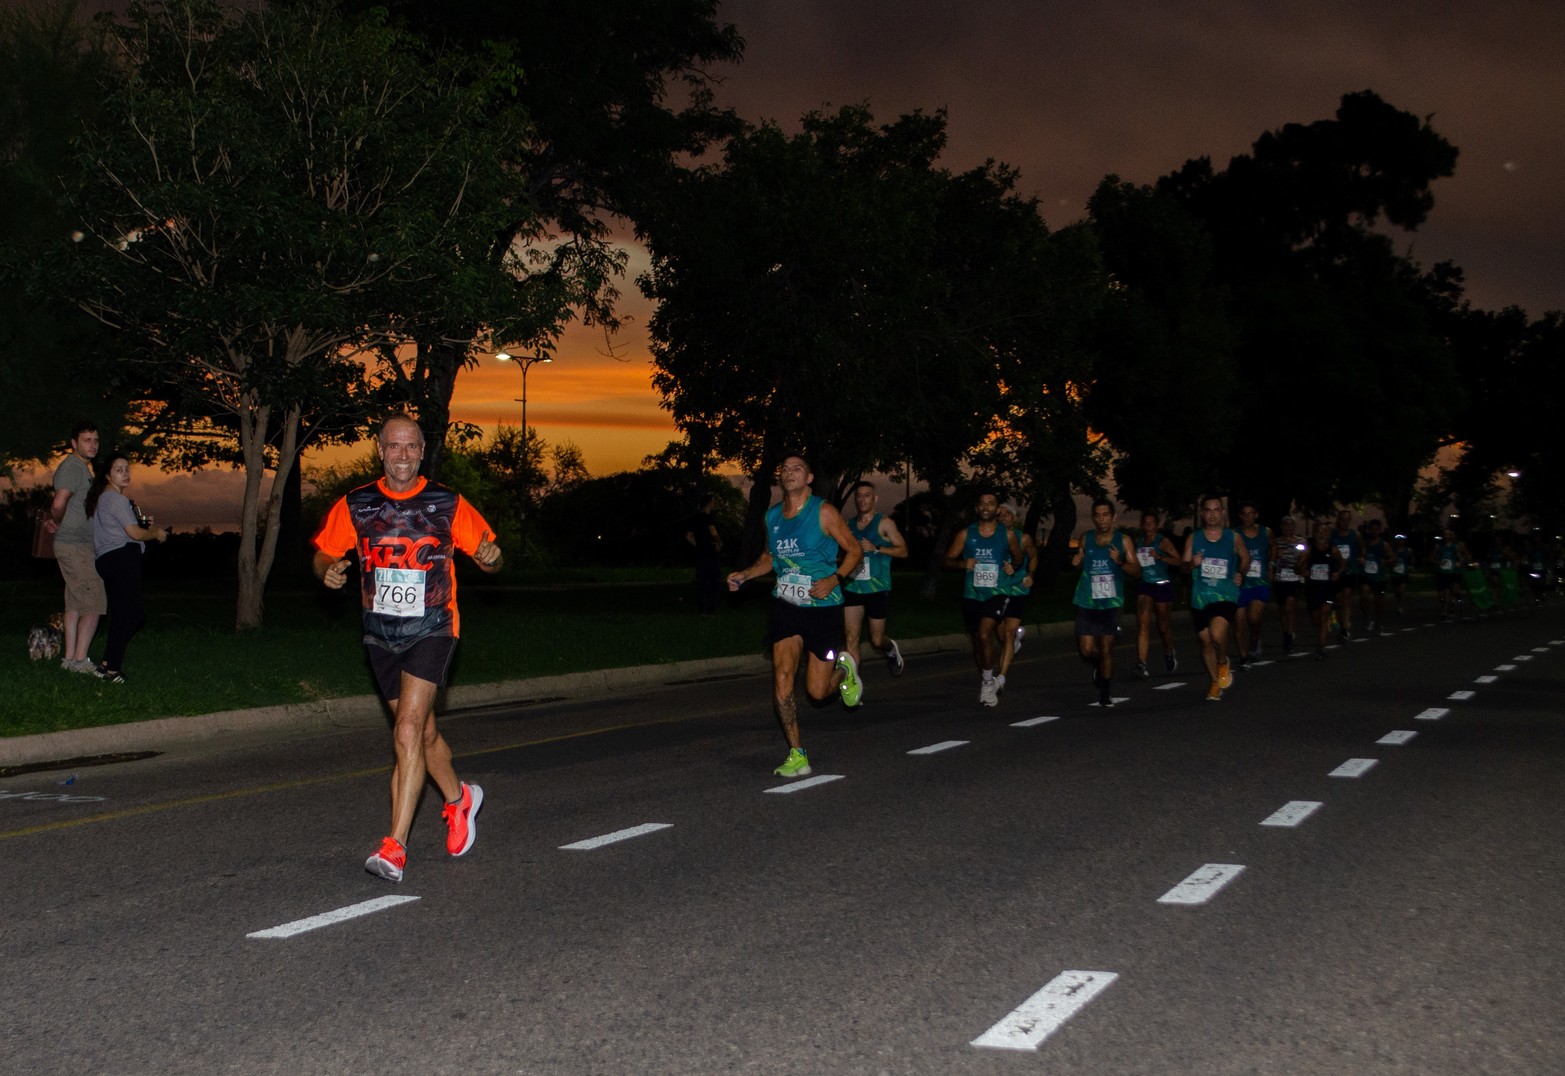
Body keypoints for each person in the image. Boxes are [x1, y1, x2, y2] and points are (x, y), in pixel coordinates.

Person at [313, 415, 503, 883]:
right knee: (423, 736)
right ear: (380, 450)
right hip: (380, 633)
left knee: (406, 731)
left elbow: (490, 554)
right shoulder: (357, 503)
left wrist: (493, 559)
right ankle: (460, 800)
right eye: (393, 446)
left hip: (434, 627)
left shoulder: (446, 503)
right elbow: (324, 550)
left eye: (410, 447)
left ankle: (394, 846)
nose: (402, 455)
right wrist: (326, 570)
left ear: (422, 451)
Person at [728, 454, 864, 778]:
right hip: (786, 605)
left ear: (810, 477)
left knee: (817, 692)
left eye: (797, 468)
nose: (789, 473)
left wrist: (835, 578)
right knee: (782, 676)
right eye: (784, 469)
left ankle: (845, 673)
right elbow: (770, 558)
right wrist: (746, 574)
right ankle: (796, 752)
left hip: (823, 607)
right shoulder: (772, 516)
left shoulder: (824, 512)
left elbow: (855, 551)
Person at [85, 456, 168, 683]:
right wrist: (156, 533)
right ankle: (112, 669)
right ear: (108, 476)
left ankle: (105, 665)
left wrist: (140, 526)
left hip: (107, 560)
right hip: (121, 557)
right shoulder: (116, 500)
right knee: (132, 615)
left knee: (124, 613)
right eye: (119, 470)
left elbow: (119, 529)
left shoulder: (102, 500)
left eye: (127, 469)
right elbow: (134, 534)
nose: (125, 473)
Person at [944, 490, 1022, 707]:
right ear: (978, 509)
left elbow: (1019, 556)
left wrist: (1012, 566)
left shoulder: (1006, 534)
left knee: (986, 633)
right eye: (982, 503)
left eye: (991, 503)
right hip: (972, 593)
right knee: (978, 640)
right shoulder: (966, 534)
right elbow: (947, 560)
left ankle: (988, 685)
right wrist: (962, 564)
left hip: (998, 592)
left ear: (997, 509)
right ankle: (987, 679)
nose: (986, 506)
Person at [44, 422, 106, 673]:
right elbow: (59, 502)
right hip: (75, 545)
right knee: (95, 599)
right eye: (87, 440)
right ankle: (80, 661)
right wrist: (57, 520)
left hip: (74, 544)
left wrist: (57, 520)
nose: (93, 445)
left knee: (75, 602)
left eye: (96, 440)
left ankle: (69, 659)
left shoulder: (81, 468)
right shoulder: (72, 467)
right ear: (74, 443)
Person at [1072, 498, 1140, 707]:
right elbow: (1079, 563)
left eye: (1106, 515)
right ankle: (1100, 666)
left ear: (1113, 517)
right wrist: (1076, 563)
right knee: (1086, 650)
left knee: (1107, 646)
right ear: (1093, 517)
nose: (1102, 519)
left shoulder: (1123, 541)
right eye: (1098, 515)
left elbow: (1137, 571)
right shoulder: (1086, 539)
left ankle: (1105, 690)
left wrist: (1120, 561)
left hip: (1111, 603)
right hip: (1087, 601)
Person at [1182, 494, 1250, 700]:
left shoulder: (1233, 537)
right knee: (1205, 641)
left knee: (1217, 634)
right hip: (1200, 596)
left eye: (1216, 510)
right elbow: (1182, 567)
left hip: (1225, 593)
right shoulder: (1194, 538)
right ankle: (1214, 682)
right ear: (1202, 514)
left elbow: (1245, 557)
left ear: (1222, 513)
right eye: (1208, 510)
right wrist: (1191, 564)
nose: (1212, 514)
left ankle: (1222, 661)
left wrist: (1241, 572)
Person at [842, 481, 909, 679]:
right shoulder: (849, 526)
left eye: (867, 495)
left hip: (877, 588)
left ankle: (889, 648)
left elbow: (903, 551)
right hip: (853, 587)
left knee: (876, 639)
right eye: (859, 496)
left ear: (875, 498)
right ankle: (853, 684)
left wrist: (877, 548)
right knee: (851, 637)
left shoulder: (884, 523)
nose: (862, 499)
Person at [994, 504, 1039, 692]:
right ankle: (1015, 641)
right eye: (1000, 515)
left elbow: (1034, 557)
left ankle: (1001, 677)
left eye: (1007, 514)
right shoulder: (991, 539)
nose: (1003, 517)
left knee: (1009, 632)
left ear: (1014, 517)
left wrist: (1031, 574)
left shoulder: (1024, 538)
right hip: (997, 590)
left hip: (1018, 589)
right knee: (1000, 633)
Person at [1132, 511, 1181, 677]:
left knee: (1163, 626)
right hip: (1145, 584)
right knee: (1143, 623)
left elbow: (1179, 560)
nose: (1148, 526)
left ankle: (1168, 652)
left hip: (1162, 584)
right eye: (1145, 523)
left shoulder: (1163, 541)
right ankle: (1141, 663)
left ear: (1157, 524)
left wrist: (1160, 557)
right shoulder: (1138, 542)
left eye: (1151, 523)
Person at [1233, 501, 1275, 666]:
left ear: (1256, 515)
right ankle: (1243, 656)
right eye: (1244, 513)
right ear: (1240, 516)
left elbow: (1274, 546)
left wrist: (1271, 565)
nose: (1248, 517)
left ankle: (1255, 638)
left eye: (1251, 513)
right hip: (1241, 583)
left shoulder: (1266, 532)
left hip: (1259, 581)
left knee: (1254, 617)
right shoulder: (1234, 534)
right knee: (1239, 621)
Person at [1303, 519, 1345, 660]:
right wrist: (1303, 571)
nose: (1322, 534)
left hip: (1327, 588)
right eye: (1319, 532)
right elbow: (1298, 568)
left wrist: (1337, 573)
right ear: (1315, 534)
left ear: (1328, 534)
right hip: (1313, 588)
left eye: (1324, 532)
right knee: (1316, 619)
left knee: (1323, 616)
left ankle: (1321, 648)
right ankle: (1324, 630)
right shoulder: (1309, 550)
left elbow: (1343, 564)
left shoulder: (1333, 550)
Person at [685, 493, 724, 616]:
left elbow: (688, 536)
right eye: (713, 502)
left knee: (702, 583)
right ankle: (711, 610)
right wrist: (719, 542)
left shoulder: (695, 519)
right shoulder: (708, 518)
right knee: (715, 582)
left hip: (700, 556)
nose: (714, 504)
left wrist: (699, 545)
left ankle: (703, 611)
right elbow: (713, 532)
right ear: (709, 503)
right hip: (711, 555)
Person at [1272, 515, 1306, 653]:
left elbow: (1305, 556)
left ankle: (1289, 636)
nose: (1288, 527)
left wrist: (1301, 565)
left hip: (1294, 577)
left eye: (1291, 524)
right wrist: (1275, 556)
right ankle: (1286, 630)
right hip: (1280, 577)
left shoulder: (1300, 541)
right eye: (1285, 525)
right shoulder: (1276, 542)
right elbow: (1271, 557)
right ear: (1282, 527)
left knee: (1290, 605)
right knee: (1282, 608)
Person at [1328, 509, 1362, 641]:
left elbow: (1362, 548)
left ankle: (1344, 629)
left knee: (1346, 597)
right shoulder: (1332, 534)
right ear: (1338, 519)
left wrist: (1361, 557)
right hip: (1336, 571)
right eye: (1342, 519)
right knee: (1337, 599)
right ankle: (1335, 616)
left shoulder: (1355, 535)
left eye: (1348, 519)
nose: (1345, 522)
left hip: (1350, 570)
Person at [1357, 519, 1393, 634]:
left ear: (1380, 531)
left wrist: (1385, 562)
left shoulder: (1384, 544)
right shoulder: (1365, 543)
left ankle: (1378, 622)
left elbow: (1393, 558)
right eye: (1372, 529)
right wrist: (1361, 559)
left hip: (1379, 577)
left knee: (1378, 602)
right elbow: (1361, 555)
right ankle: (1368, 618)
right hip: (1366, 574)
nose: (1374, 532)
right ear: (1369, 530)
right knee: (1363, 595)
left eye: (1376, 530)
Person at [1432, 525, 1470, 620]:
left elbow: (1466, 556)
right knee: (1441, 594)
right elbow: (1432, 558)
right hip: (1441, 572)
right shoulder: (1438, 546)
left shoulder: (1457, 546)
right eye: (1445, 534)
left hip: (1452, 572)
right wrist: (1438, 562)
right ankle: (1450, 605)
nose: (1447, 536)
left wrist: (1460, 562)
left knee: (1448, 591)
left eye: (1449, 534)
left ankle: (1445, 611)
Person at [1390, 532, 1413, 616]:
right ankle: (1401, 602)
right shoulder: (1393, 551)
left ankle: (1400, 606)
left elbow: (1412, 559)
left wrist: (1411, 565)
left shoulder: (1408, 550)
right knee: (1397, 591)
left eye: (1402, 540)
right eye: (1399, 540)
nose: (1400, 542)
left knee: (1402, 589)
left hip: (1404, 573)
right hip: (1395, 573)